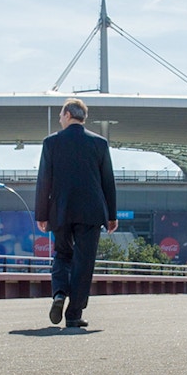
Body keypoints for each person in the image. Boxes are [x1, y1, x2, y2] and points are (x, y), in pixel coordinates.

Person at [35, 98, 118, 329]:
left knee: (62, 253)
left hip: (60, 210)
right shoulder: (99, 143)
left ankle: (59, 293)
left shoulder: (51, 142)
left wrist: (41, 214)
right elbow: (108, 182)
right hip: (91, 212)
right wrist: (112, 215)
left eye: (61, 115)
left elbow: (44, 181)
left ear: (68, 115)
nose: (60, 118)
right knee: (84, 261)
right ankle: (74, 314)